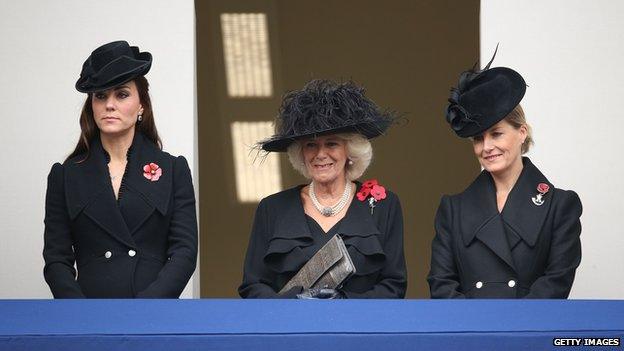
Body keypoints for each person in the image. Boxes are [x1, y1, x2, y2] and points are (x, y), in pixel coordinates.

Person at [43, 41, 198, 298]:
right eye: (100, 96)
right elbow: (56, 259)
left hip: (152, 315)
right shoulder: (65, 174)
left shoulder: (173, 169)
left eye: (122, 94)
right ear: (91, 105)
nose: (109, 105)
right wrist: (80, 314)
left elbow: (184, 252)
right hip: (89, 316)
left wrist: (145, 309)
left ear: (141, 106)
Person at [427, 53, 582, 298]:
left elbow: (556, 283)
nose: (486, 146)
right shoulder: (452, 209)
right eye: (478, 138)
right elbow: (442, 284)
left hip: (530, 332)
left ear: (521, 133)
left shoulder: (560, 206)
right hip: (471, 333)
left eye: (496, 134)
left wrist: (513, 329)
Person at [239, 80, 407, 299]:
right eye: (311, 145)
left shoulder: (384, 206)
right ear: (300, 153)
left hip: (357, 329)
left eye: (332, 144)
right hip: (291, 329)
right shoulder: (272, 208)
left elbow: (393, 286)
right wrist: (294, 303)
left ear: (350, 150)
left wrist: (344, 303)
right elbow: (253, 286)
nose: (320, 154)